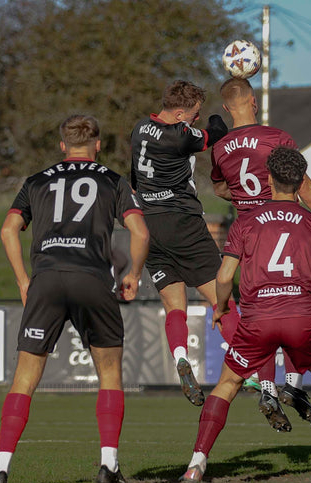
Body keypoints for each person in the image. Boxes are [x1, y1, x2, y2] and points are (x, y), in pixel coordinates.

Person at [0, 115, 149, 483]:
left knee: (24, 379)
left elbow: (8, 229)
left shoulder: (36, 181)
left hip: (46, 279)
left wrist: (24, 279)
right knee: (109, 375)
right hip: (91, 278)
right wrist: (133, 273)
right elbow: (139, 230)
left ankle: (0, 472)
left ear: (62, 145)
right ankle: (108, 465)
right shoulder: (112, 181)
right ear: (98, 145)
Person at [178, 147, 311, 483]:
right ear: (300, 181)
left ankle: (196, 464)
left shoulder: (246, 221)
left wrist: (220, 308)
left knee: (227, 385)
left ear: (269, 180)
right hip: (303, 317)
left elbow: (223, 277)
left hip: (258, 318)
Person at [210, 77, 311, 427]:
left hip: (249, 237)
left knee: (259, 313)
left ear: (228, 109)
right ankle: (292, 384)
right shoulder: (276, 138)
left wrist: (245, 195)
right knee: (298, 303)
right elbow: (304, 185)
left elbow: (220, 188)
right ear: (254, 102)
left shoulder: (221, 148)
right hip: (286, 227)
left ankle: (269, 391)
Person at [129, 80, 234, 407]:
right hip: (182, 222)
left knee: (174, 306)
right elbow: (212, 136)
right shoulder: (178, 135)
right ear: (178, 113)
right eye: (194, 114)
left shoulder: (140, 129)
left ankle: (179, 358)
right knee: (223, 299)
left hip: (149, 224)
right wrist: (217, 120)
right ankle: (256, 372)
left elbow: (134, 178)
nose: (197, 119)